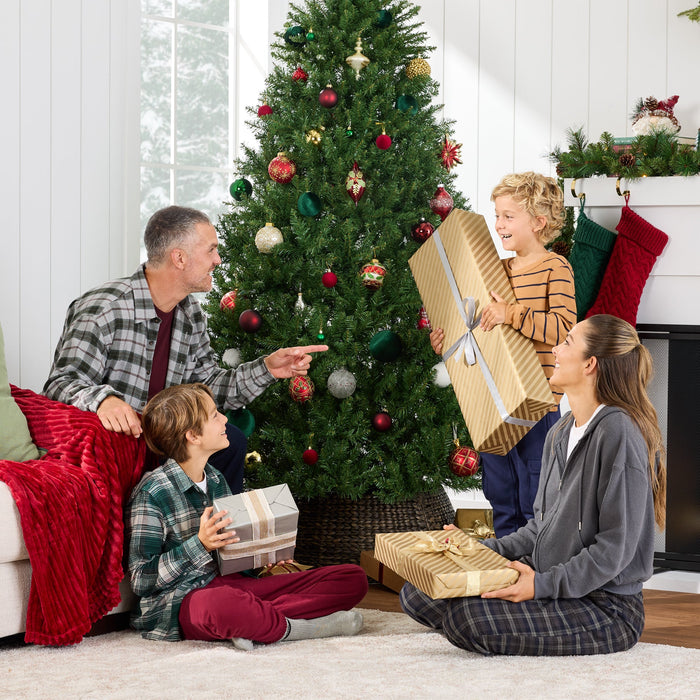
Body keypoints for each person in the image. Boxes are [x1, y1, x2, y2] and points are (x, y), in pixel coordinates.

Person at [402, 314, 666, 656]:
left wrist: (539, 586)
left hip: (606, 607)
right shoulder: (561, 430)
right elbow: (540, 526)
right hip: (549, 576)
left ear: (590, 364)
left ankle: (502, 614)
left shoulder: (619, 433)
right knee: (418, 592)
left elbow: (614, 551)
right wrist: (478, 552)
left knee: (465, 619)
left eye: (567, 342)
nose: (555, 349)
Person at [43, 205, 326, 493]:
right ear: (179, 257)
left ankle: (217, 535)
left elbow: (209, 387)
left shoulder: (190, 314)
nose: (217, 260)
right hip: (118, 445)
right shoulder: (103, 309)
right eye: (211, 250)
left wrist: (267, 368)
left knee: (232, 442)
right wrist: (105, 400)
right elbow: (60, 383)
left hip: (164, 441)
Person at [125, 382, 368, 647]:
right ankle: (298, 627)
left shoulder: (216, 479)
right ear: (193, 436)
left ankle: (251, 620)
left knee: (352, 578)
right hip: (184, 599)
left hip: (233, 586)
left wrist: (262, 554)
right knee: (221, 605)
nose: (225, 419)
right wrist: (200, 544)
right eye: (215, 415)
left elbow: (231, 552)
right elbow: (141, 580)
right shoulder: (151, 493)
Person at [430, 172, 576, 536]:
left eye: (508, 216)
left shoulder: (554, 268)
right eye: (496, 215)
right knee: (500, 489)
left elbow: (562, 328)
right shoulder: (495, 271)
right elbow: (480, 332)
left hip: (538, 401)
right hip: (493, 398)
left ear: (539, 222)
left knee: (536, 487)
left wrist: (511, 313)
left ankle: (536, 573)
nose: (498, 224)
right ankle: (508, 567)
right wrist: (447, 344)